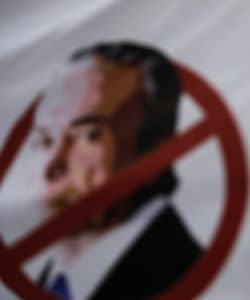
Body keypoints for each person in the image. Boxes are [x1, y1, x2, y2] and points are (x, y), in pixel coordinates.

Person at [29, 42, 202, 299]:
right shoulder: (48, 277)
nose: (52, 167)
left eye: (89, 135)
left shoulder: (189, 278)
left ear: (155, 154)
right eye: (46, 137)